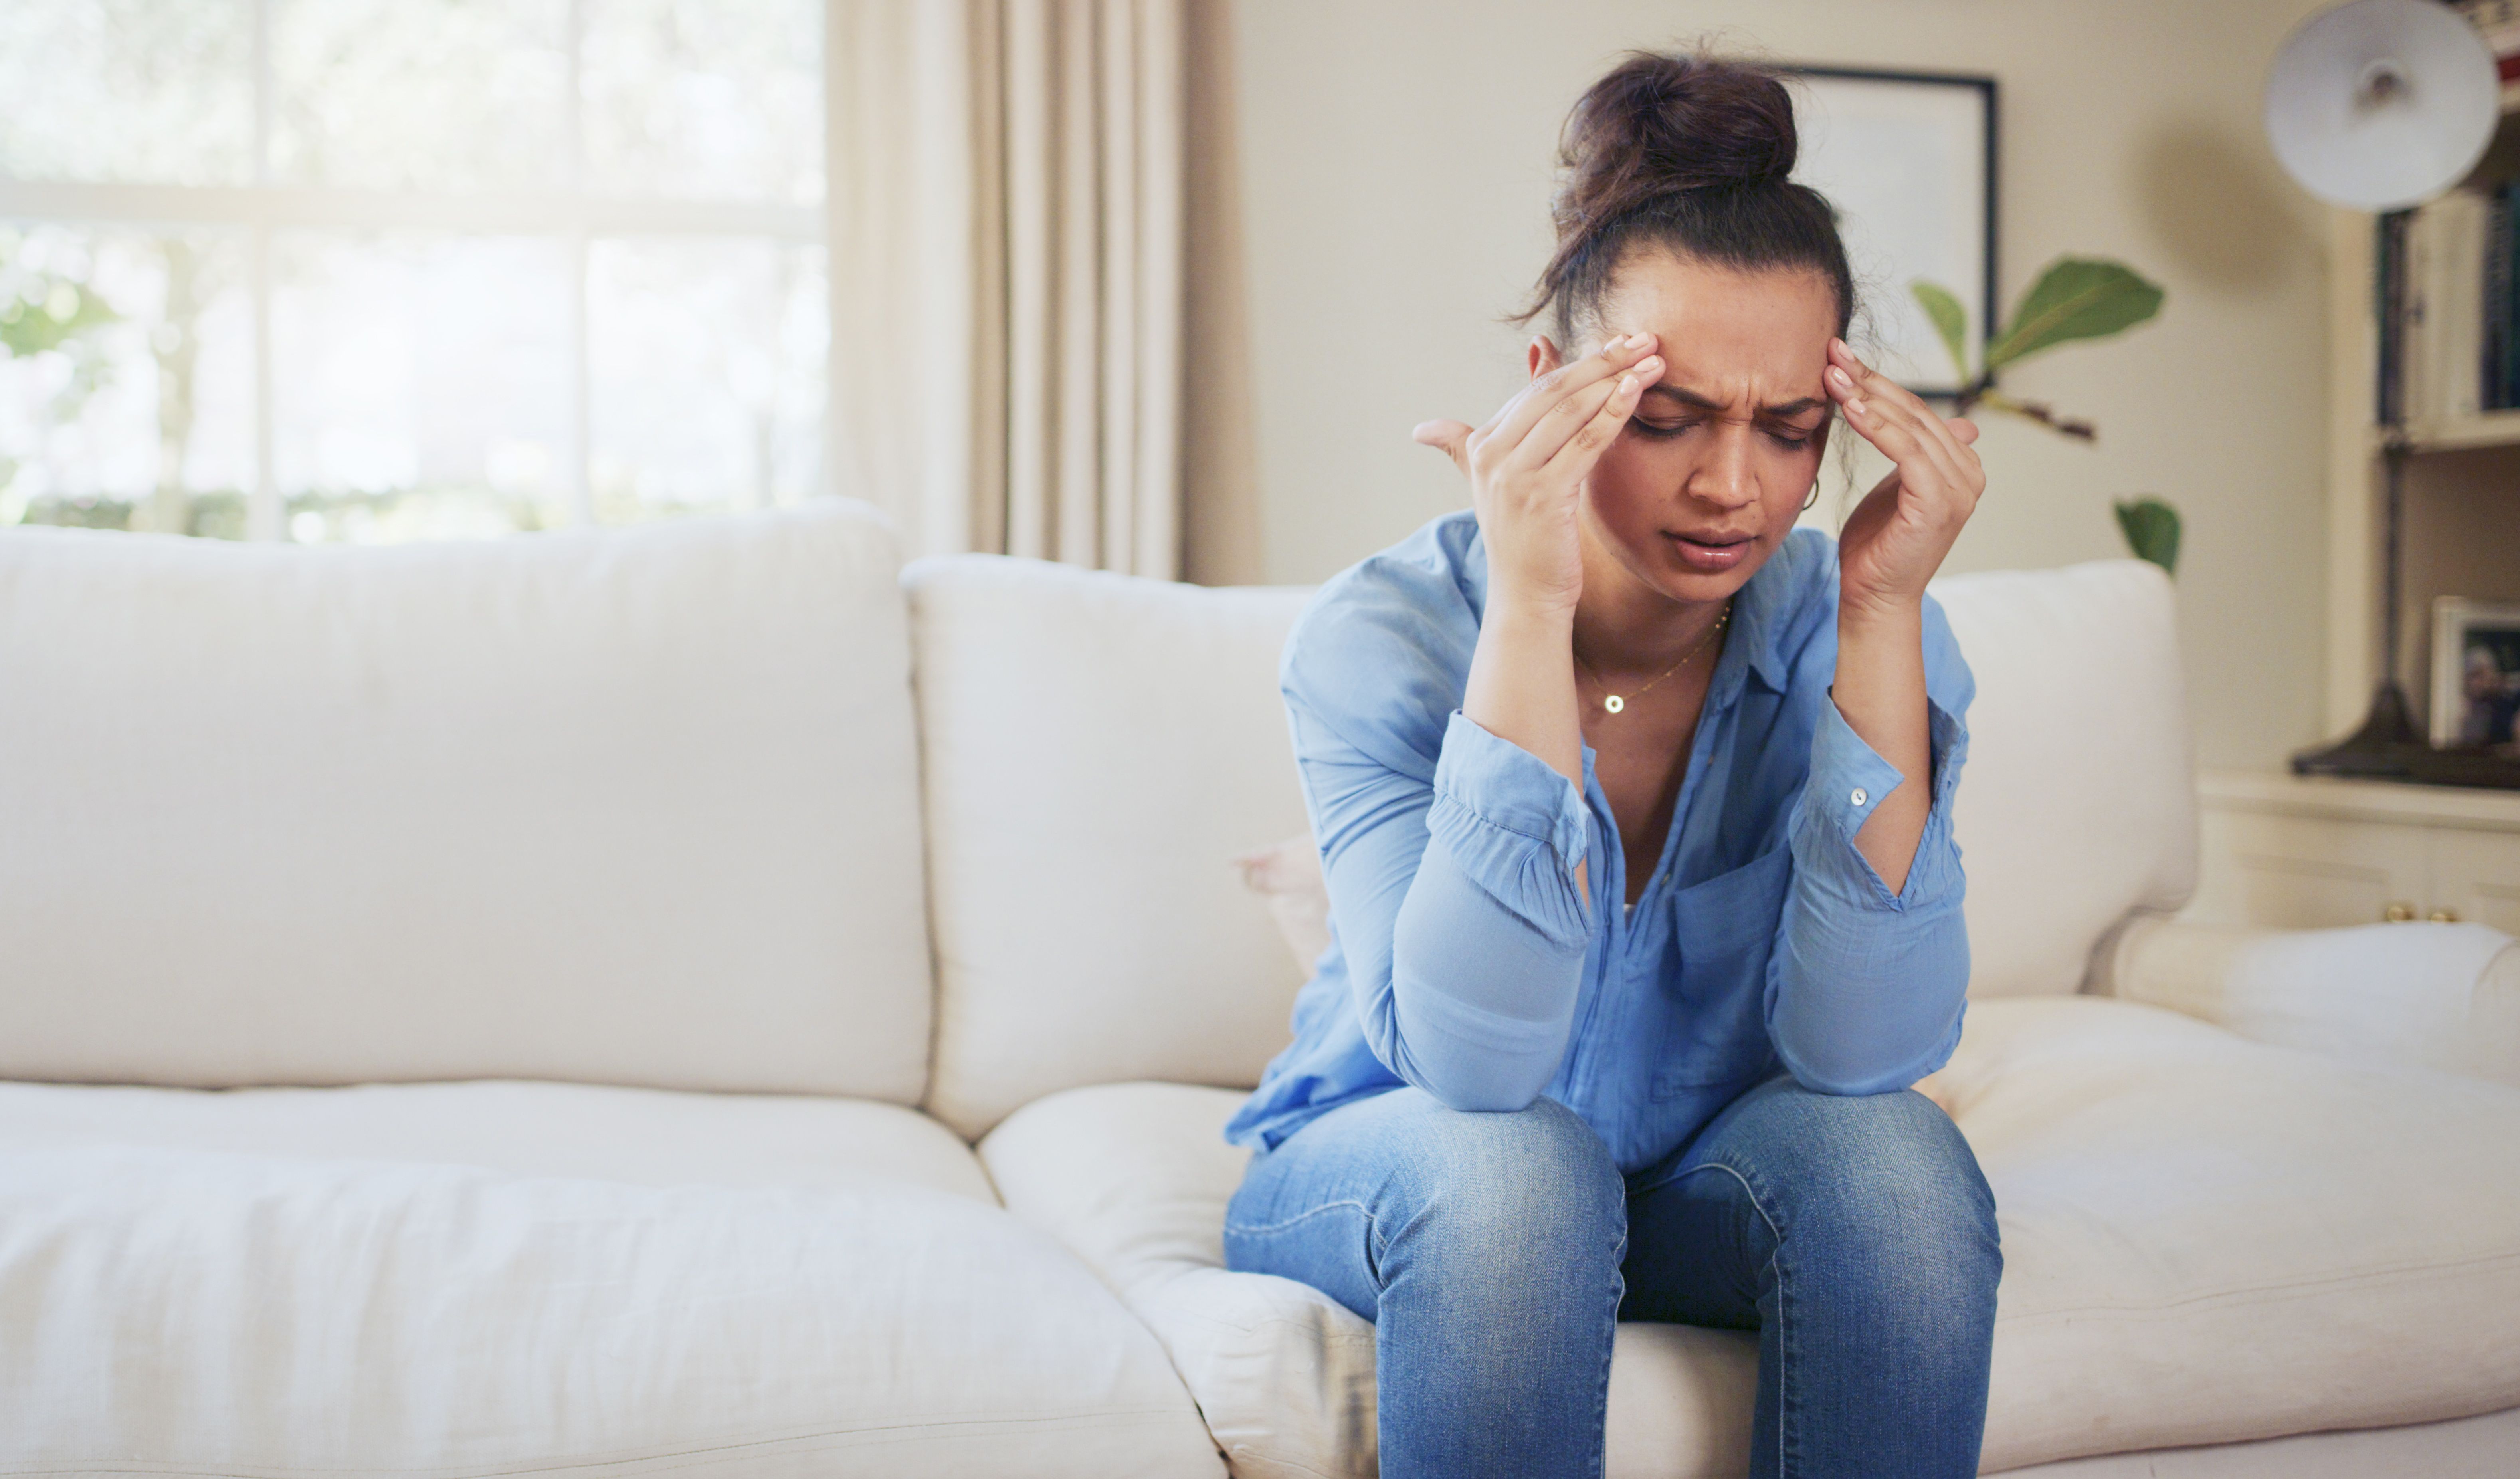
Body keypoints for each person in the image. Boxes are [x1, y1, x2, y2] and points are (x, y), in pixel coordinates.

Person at [1219, 50, 1999, 1479]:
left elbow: (1862, 1054)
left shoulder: (1862, 627)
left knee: (1896, 1163)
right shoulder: (1383, 634)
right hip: (1412, 1163)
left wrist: (1884, 610)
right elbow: (1474, 1065)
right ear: (1554, 391)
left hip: (1701, 1182)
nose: (1732, 488)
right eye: (1666, 418)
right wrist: (1527, 608)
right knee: (1520, 1175)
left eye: (1789, 431)